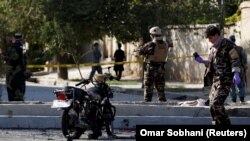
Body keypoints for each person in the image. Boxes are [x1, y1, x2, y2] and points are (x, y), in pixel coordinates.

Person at [193, 25, 241, 125]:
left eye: (210, 38)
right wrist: (202, 61)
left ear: (216, 35)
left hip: (225, 80)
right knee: (211, 105)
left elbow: (235, 59)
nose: (209, 40)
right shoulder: (213, 48)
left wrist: (236, 72)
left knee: (217, 104)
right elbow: (210, 64)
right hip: (216, 80)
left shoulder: (228, 44)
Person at [137, 26, 173, 102]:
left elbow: (140, 52)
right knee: (161, 89)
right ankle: (163, 105)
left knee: (148, 88)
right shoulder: (166, 44)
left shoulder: (150, 44)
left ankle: (147, 105)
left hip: (151, 68)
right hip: (161, 68)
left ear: (152, 35)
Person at [4, 33, 26, 101]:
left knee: (12, 93)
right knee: (18, 92)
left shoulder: (13, 48)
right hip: (17, 74)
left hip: (13, 74)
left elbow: (12, 60)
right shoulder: (21, 48)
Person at [228, 35, 248, 103]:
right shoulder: (240, 48)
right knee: (241, 85)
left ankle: (233, 99)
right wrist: (245, 66)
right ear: (234, 40)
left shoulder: (227, 49)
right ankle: (242, 99)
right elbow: (244, 59)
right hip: (240, 69)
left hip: (230, 69)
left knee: (231, 86)